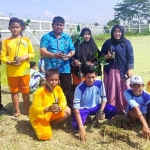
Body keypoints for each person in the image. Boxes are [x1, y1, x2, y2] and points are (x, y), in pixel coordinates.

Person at [1, 17, 35, 119]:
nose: (15, 29)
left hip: (25, 70)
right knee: (14, 91)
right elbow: (2, 56)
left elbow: (32, 53)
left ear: (21, 28)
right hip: (12, 72)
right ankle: (17, 111)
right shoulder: (6, 42)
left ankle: (26, 109)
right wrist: (9, 62)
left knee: (25, 92)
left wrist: (25, 56)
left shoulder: (26, 40)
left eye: (17, 27)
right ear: (9, 28)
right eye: (13, 27)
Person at [72, 65, 117, 141]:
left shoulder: (100, 83)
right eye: (89, 77)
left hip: (97, 106)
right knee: (75, 126)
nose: (91, 80)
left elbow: (104, 99)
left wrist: (101, 111)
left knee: (113, 110)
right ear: (84, 76)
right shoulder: (79, 88)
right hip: (85, 108)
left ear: (96, 75)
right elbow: (76, 108)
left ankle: (97, 117)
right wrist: (81, 127)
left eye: (93, 77)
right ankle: (87, 118)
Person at [40, 16, 75, 108]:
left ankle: (68, 108)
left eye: (61, 25)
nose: (59, 27)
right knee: (50, 88)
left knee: (67, 89)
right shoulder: (47, 37)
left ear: (63, 26)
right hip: (51, 69)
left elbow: (72, 50)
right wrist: (54, 55)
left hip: (65, 68)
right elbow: (42, 50)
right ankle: (50, 107)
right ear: (52, 25)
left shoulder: (67, 37)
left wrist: (68, 55)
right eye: (57, 25)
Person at [29, 69, 71, 140]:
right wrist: (48, 109)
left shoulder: (58, 88)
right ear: (46, 79)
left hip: (50, 113)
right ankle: (35, 124)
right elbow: (35, 109)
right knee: (45, 136)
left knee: (67, 111)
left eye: (56, 80)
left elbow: (63, 101)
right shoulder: (39, 92)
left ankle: (52, 123)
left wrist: (60, 108)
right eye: (51, 80)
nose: (54, 82)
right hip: (39, 116)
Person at [101, 24, 134, 113]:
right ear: (112, 32)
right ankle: (111, 107)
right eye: (115, 32)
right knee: (111, 89)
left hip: (122, 70)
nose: (117, 34)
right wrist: (106, 56)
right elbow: (101, 54)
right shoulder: (108, 42)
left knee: (124, 88)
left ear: (122, 32)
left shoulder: (127, 43)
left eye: (119, 32)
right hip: (110, 70)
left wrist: (130, 68)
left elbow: (130, 57)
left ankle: (126, 107)